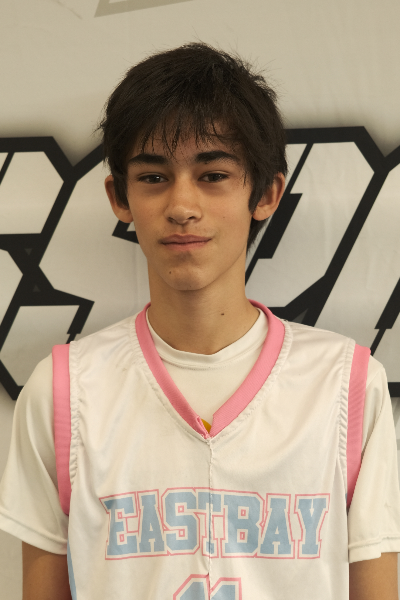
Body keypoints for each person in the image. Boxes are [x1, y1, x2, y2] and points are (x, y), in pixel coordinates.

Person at [0, 42, 399, 600]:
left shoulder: (346, 386)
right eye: (153, 177)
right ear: (120, 196)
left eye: (212, 175)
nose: (182, 206)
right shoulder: (64, 392)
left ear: (266, 193)